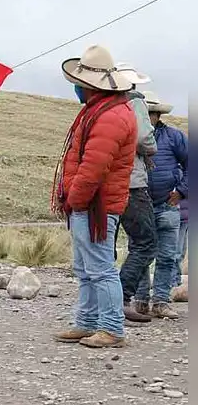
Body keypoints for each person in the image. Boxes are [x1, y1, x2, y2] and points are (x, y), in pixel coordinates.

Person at [51, 45, 137, 348]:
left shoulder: (109, 116)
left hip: (94, 206)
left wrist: (74, 199)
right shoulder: (101, 111)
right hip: (91, 205)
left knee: (99, 268)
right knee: (86, 268)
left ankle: (112, 328)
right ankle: (87, 322)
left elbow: (94, 167)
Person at [109, 66, 158, 323]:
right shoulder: (134, 102)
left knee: (106, 245)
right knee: (146, 242)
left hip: (104, 183)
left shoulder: (100, 103)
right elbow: (145, 141)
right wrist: (151, 148)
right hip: (131, 183)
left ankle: (102, 302)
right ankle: (121, 298)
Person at [133, 91, 187, 318]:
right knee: (141, 254)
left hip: (167, 206)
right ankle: (141, 300)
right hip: (139, 205)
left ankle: (161, 301)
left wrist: (182, 192)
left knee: (167, 255)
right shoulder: (132, 137)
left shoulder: (175, 137)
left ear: (156, 116)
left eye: (149, 115)